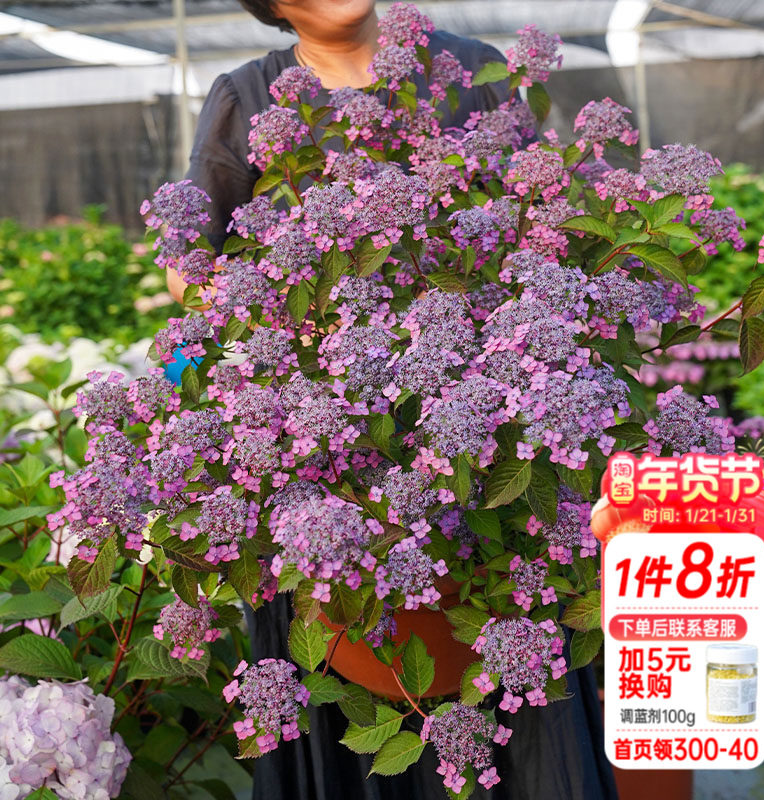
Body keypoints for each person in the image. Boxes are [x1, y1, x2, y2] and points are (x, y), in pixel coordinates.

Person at [168, 2, 618, 798]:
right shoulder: (251, 95)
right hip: (330, 474)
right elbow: (188, 269)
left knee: (530, 732)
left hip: (494, 449)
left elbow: (554, 224)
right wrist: (230, 343)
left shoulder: (473, 73)